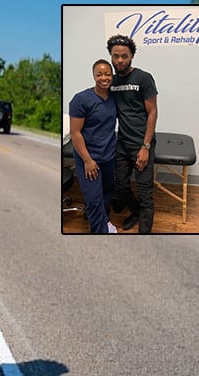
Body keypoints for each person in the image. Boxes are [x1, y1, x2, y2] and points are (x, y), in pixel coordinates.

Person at [107, 34, 158, 233]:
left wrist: (145, 147)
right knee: (119, 186)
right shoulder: (111, 81)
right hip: (122, 143)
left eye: (124, 56)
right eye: (116, 56)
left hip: (142, 142)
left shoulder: (144, 78)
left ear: (132, 56)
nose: (120, 60)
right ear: (111, 56)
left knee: (145, 192)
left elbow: (152, 112)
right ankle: (135, 212)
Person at [68, 59, 118, 234]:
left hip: (108, 156)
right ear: (94, 76)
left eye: (107, 74)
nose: (103, 78)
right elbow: (75, 133)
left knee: (106, 193)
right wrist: (88, 160)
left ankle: (104, 222)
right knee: (94, 200)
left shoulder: (113, 97)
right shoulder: (81, 100)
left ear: (112, 76)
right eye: (99, 74)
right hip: (88, 158)